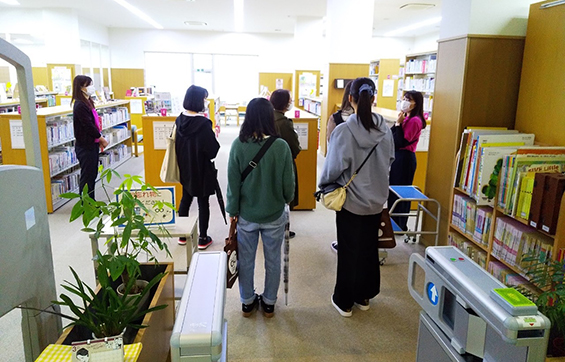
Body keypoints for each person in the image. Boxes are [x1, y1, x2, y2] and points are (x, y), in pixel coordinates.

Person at [319, 77, 394, 317]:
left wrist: (324, 186)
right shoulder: (386, 131)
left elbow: (333, 167)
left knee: (349, 250)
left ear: (350, 98)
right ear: (373, 99)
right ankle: (363, 296)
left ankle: (344, 301)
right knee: (368, 250)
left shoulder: (343, 131)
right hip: (376, 201)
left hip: (351, 201)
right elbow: (389, 161)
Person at [226, 97, 295, 318]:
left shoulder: (238, 144)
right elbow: (288, 185)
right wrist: (286, 198)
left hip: (247, 214)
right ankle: (269, 303)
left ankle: (247, 302)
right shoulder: (281, 146)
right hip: (274, 213)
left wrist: (232, 210)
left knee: (245, 260)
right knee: (273, 259)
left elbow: (233, 183)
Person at [176, 85, 220, 249]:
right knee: (203, 203)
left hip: (185, 167)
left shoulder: (179, 120)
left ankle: (182, 235)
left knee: (185, 200)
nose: (205, 102)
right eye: (204, 99)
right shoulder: (203, 124)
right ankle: (203, 238)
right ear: (198, 101)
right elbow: (212, 151)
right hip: (201, 169)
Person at [388, 90, 427, 232]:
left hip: (405, 158)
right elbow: (391, 135)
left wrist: (398, 125)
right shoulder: (406, 118)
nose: (404, 101)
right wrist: (397, 123)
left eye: (408, 99)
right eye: (404, 98)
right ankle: (392, 221)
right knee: (393, 189)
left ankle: (400, 224)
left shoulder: (415, 121)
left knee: (401, 191)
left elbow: (401, 142)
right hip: (398, 157)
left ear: (415, 103)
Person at [325, 81, 354, 253]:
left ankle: (343, 243)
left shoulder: (335, 118)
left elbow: (331, 145)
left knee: (343, 209)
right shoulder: (373, 123)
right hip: (364, 174)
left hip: (342, 173)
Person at [269, 89, 301, 238]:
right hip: (284, 164)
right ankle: (283, 228)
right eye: (289, 100)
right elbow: (294, 147)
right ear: (284, 103)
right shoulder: (284, 122)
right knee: (285, 196)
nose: (290, 103)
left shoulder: (266, 118)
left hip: (267, 164)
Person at [72, 75, 108, 200]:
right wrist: (100, 138)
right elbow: (88, 125)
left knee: (92, 175)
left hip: (91, 144)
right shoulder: (80, 105)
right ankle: (86, 205)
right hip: (85, 146)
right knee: (87, 177)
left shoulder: (87, 102)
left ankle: (90, 202)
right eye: (89, 85)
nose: (91, 87)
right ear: (81, 87)